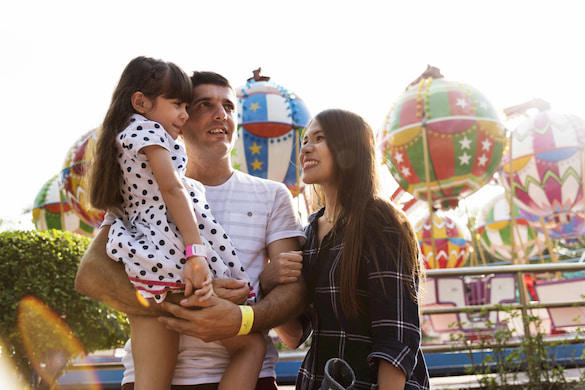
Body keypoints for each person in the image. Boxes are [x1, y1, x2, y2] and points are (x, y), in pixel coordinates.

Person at [76, 69, 306, 389]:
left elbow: (293, 297)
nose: (220, 114)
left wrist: (243, 315)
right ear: (179, 118)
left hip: (252, 376)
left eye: (228, 106)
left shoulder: (272, 195)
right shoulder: (140, 192)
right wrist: (192, 300)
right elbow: (90, 275)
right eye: (204, 105)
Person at [266, 109, 431, 389]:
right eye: (305, 140)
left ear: (349, 147)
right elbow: (294, 335)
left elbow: (397, 338)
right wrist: (268, 281)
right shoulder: (310, 233)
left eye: (319, 138)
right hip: (319, 381)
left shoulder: (381, 222)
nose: (305, 148)